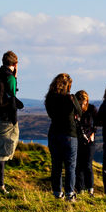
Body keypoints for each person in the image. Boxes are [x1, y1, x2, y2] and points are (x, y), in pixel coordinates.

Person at [0, 50, 23, 194]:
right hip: (5, 120)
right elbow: (12, 97)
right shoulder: (10, 78)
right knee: (2, 153)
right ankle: (0, 187)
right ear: (15, 64)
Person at [44, 73, 80, 201]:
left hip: (54, 133)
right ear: (67, 85)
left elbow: (50, 114)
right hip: (69, 134)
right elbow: (80, 111)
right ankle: (70, 194)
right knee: (70, 166)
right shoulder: (70, 97)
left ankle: (57, 193)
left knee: (56, 165)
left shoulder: (49, 98)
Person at [74, 90, 98, 197]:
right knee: (78, 166)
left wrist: (93, 133)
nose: (83, 105)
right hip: (77, 140)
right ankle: (80, 189)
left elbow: (98, 122)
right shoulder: (74, 110)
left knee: (88, 165)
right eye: (80, 103)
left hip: (89, 141)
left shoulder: (92, 108)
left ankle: (90, 190)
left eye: (84, 102)